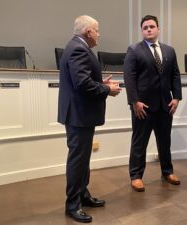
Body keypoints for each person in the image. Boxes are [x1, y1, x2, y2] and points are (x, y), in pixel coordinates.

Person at [58, 15, 121, 223]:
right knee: (78, 160)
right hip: (79, 115)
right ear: (88, 32)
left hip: (80, 114)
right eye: (97, 30)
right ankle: (72, 204)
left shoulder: (78, 46)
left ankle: (82, 195)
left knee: (83, 158)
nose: (99, 34)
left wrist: (99, 81)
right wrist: (107, 89)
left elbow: (83, 79)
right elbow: (82, 84)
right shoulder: (78, 48)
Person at [123, 15, 182, 192]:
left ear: (158, 29)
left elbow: (175, 75)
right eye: (145, 27)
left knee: (165, 141)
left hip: (166, 105)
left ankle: (167, 171)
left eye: (152, 26)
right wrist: (134, 101)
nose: (148, 29)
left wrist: (177, 97)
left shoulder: (169, 51)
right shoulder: (134, 50)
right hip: (143, 107)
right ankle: (136, 176)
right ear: (142, 31)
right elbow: (129, 77)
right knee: (139, 142)